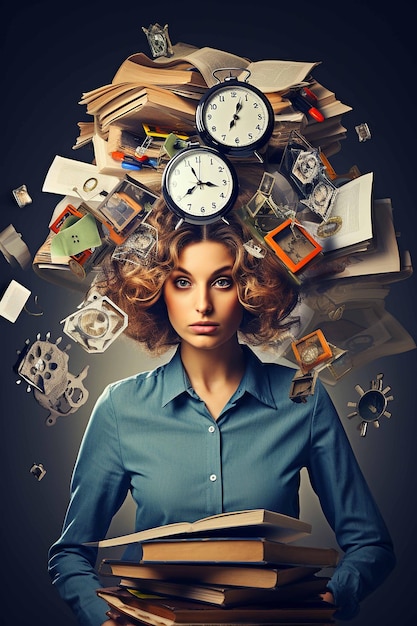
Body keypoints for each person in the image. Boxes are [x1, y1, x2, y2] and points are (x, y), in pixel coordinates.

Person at [48, 168, 396, 626]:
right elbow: (70, 555)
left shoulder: (302, 399)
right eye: (183, 281)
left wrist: (329, 598)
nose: (204, 305)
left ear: (252, 291)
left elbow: (371, 544)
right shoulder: (120, 409)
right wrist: (106, 617)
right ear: (157, 291)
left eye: (223, 281)